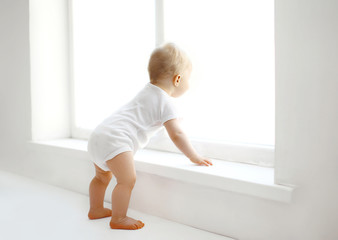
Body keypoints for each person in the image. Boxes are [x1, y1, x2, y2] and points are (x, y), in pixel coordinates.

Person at [87, 43, 213, 230]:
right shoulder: (166, 102)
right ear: (178, 79)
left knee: (101, 177)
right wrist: (194, 156)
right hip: (116, 140)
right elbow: (177, 134)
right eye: (189, 78)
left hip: (98, 135)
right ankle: (118, 218)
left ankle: (96, 209)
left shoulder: (147, 90)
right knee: (127, 180)